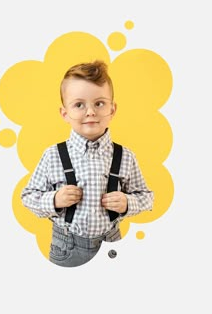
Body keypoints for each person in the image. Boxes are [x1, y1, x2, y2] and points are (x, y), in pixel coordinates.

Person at [21, 60, 154, 267]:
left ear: (112, 109)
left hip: (112, 243)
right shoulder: (53, 155)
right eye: (79, 105)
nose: (90, 112)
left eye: (99, 103)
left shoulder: (125, 156)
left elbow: (146, 197)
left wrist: (128, 203)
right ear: (65, 113)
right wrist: (54, 199)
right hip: (67, 245)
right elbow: (28, 196)